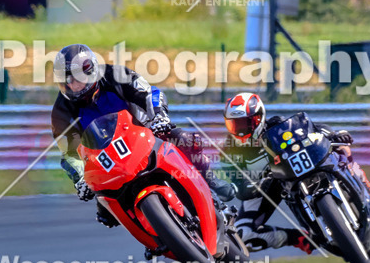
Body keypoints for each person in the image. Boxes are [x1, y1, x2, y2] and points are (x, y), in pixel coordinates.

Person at [50, 44, 235, 227]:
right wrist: (80, 179)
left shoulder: (115, 75)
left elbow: (149, 93)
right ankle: (153, 234)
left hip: (145, 133)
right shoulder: (61, 112)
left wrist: (159, 117)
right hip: (109, 161)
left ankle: (209, 180)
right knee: (106, 213)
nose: (72, 85)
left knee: (184, 139)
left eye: (76, 79)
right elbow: (69, 153)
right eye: (67, 81)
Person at [217, 92, 370, 253]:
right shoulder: (228, 152)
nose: (240, 129)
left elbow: (313, 129)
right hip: (262, 186)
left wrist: (332, 135)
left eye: (245, 123)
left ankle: (369, 189)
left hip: (291, 171)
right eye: (234, 124)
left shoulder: (277, 125)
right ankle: (299, 238)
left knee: (340, 149)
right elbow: (237, 185)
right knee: (243, 234)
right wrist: (247, 187)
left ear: (259, 117)